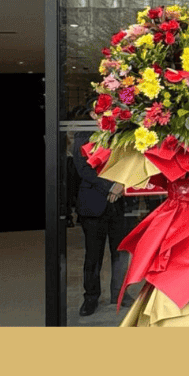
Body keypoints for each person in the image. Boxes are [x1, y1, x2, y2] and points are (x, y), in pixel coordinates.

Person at [73, 114, 132, 317]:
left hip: (118, 204)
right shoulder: (83, 134)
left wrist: (122, 185)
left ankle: (120, 294)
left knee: (121, 254)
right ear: (92, 115)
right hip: (93, 203)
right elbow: (83, 169)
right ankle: (91, 298)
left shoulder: (119, 132)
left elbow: (129, 162)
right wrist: (111, 187)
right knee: (93, 256)